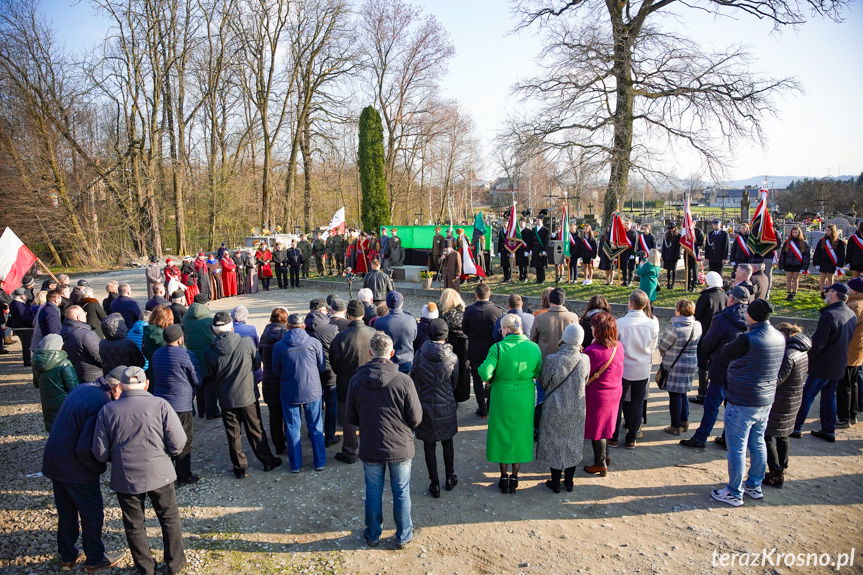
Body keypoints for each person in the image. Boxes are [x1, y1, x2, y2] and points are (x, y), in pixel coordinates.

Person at [92, 366, 187, 574]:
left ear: (122, 386)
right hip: (160, 473)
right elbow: (178, 441)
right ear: (146, 384)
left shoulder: (108, 410)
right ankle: (175, 564)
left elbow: (99, 451)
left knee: (134, 524)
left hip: (126, 476)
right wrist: (168, 454)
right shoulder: (160, 404)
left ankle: (146, 568)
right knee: (169, 518)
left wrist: (117, 458)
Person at [42, 367, 125, 573]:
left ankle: (67, 556)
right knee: (91, 513)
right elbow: (85, 447)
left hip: (54, 460)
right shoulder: (101, 403)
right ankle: (95, 558)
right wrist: (98, 467)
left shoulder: (84, 388)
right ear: (116, 388)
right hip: (76, 467)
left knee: (67, 511)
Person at [346, 331, 422, 549]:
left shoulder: (356, 381)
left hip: (371, 443)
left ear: (370, 352)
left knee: (373, 491)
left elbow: (351, 417)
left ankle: (372, 534)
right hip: (400, 445)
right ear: (392, 352)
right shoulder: (404, 381)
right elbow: (416, 417)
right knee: (401, 491)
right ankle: (404, 534)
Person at [710, 299, 785, 507]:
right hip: (765, 398)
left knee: (737, 447)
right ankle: (754, 484)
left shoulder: (748, 339)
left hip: (743, 398)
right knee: (758, 441)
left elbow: (726, 352)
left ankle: (734, 492)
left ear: (751, 316)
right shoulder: (779, 336)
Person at [205, 311, 282, 477]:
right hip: (247, 394)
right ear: (231, 326)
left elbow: (211, 374)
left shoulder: (210, 351)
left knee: (233, 434)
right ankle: (267, 460)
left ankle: (239, 467)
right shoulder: (246, 343)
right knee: (255, 429)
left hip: (226, 398)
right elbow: (256, 363)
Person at [479, 314, 542, 493]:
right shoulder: (534, 347)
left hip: (502, 395)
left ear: (506, 329)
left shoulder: (498, 348)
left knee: (502, 433)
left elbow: (485, 373)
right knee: (521, 433)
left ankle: (503, 476)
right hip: (525, 395)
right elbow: (538, 370)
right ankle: (515, 476)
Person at [680, 286, 749, 449]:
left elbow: (708, 342)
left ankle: (701, 437)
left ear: (731, 299)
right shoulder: (750, 318)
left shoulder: (723, 318)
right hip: (739, 369)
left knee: (711, 406)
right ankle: (727, 437)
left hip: (721, 367)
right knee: (731, 406)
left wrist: (707, 358)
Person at [793, 282, 857, 441]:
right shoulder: (850, 313)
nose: (826, 295)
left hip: (823, 365)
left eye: (828, 292)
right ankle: (829, 430)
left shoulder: (829, 315)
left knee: (807, 395)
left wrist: (808, 360)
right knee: (829, 396)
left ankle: (796, 427)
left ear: (835, 294)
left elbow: (818, 344)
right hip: (839, 363)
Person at [537, 323, 589, 492]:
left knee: (555, 442)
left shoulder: (552, 359)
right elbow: (585, 380)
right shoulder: (585, 360)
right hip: (577, 407)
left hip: (554, 405)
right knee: (572, 442)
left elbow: (544, 382)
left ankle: (555, 481)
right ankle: (569, 481)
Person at [410, 318, 459, 498]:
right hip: (445, 404)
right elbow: (454, 383)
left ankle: (435, 483)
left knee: (429, 445)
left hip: (425, 403)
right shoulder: (453, 358)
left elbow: (413, 377)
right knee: (448, 442)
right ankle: (449, 477)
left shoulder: (419, 354)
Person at [273, 313, 326, 473]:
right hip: (312, 389)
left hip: (290, 390)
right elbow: (321, 365)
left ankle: (295, 464)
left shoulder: (280, 346)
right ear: (303, 325)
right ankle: (320, 462)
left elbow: (276, 369)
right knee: (316, 426)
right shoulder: (314, 342)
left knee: (292, 427)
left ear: (287, 326)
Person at [151, 324, 201, 486]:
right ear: (180, 339)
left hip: (161, 403)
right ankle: (183, 475)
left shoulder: (157, 354)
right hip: (181, 403)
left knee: (165, 437)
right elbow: (196, 378)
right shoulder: (186, 355)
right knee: (184, 440)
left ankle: (166, 471)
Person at [763, 323, 810, 488]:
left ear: (784, 335)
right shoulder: (802, 351)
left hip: (781, 401)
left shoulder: (787, 355)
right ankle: (782, 466)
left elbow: (777, 380)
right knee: (783, 435)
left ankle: (775, 473)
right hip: (793, 399)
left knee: (766, 435)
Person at [330, 300, 376, 464]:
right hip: (370, 381)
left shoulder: (341, 337)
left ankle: (350, 451)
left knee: (349, 418)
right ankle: (369, 446)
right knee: (369, 415)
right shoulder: (373, 333)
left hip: (347, 382)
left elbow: (333, 362)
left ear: (348, 315)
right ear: (363, 314)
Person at [612, 290, 659, 448]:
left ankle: (614, 436)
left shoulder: (620, 323)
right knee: (637, 403)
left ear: (630, 303)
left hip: (623, 368)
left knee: (617, 403)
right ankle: (632, 437)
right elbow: (652, 347)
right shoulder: (652, 324)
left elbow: (615, 346)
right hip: (642, 367)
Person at [582, 312, 624, 476]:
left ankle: (600, 464)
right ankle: (606, 456)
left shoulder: (592, 351)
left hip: (598, 395)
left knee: (596, 429)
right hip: (615, 391)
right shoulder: (618, 346)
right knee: (607, 425)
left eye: (592, 327)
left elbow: (584, 373)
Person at [658, 300, 702, 434]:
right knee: (683, 392)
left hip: (675, 364)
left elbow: (663, 345)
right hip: (691, 363)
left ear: (679, 310)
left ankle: (675, 425)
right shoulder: (697, 325)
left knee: (675, 395)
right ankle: (684, 420)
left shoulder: (675, 326)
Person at [463, 283, 503, 417]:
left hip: (475, 350)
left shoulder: (469, 311)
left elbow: (465, 330)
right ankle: (489, 405)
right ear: (489, 293)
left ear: (476, 295)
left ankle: (482, 407)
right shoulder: (498, 311)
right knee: (492, 379)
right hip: (492, 351)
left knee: (477, 380)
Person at [305, 300, 340, 446]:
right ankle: (329, 435)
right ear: (321, 310)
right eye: (326, 309)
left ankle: (313, 431)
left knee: (314, 403)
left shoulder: (304, 328)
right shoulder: (332, 329)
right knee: (331, 404)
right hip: (329, 370)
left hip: (311, 371)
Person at [691, 271, 727, 403]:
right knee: (715, 363)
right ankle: (714, 392)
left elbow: (697, 317)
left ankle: (702, 393)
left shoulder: (705, 297)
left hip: (705, 335)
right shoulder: (725, 295)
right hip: (720, 335)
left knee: (703, 365)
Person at [33, 333, 79, 431]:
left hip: (47, 401)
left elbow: (36, 383)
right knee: (67, 427)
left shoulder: (37, 361)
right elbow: (74, 388)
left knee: (52, 424)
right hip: (65, 402)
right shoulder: (64, 363)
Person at [183, 295, 219, 419]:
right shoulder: (209, 318)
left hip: (192, 352)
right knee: (210, 382)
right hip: (207, 352)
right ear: (206, 304)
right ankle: (212, 411)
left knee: (199, 382)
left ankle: (202, 410)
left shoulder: (186, 317)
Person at [259, 307, 289, 454]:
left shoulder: (264, 334)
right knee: (288, 414)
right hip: (283, 380)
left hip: (268, 380)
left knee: (274, 415)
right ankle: (290, 441)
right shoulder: (285, 335)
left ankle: (279, 445)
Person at [439, 288, 470, 403]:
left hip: (451, 345)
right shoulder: (464, 312)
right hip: (464, 345)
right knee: (463, 370)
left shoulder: (443, 314)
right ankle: (462, 395)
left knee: (450, 371)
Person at [374, 291, 418, 373]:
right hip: (406, 362)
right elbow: (414, 337)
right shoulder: (411, 319)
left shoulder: (379, 322)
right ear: (401, 303)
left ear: (387, 304)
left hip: (387, 363)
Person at [840, 277, 863, 427]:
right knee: (853, 383)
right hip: (856, 350)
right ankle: (852, 414)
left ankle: (845, 417)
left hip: (849, 350)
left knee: (845, 386)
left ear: (854, 290)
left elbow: (845, 325)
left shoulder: (855, 305)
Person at [531, 288, 579, 358]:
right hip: (567, 360)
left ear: (549, 300)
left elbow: (533, 339)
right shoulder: (574, 317)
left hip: (544, 359)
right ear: (563, 301)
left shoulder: (540, 318)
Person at [61, 306, 103, 384]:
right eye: (84, 313)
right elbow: (100, 356)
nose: (86, 315)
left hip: (74, 375)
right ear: (79, 317)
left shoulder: (63, 331)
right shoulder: (85, 334)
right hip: (92, 378)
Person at [778, 225, 810, 301]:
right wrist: (781, 265)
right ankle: (789, 293)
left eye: (796, 232)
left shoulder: (803, 243)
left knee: (795, 279)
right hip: (788, 264)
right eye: (793, 232)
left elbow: (806, 255)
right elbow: (783, 254)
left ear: (799, 233)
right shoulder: (787, 242)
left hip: (798, 264)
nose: (794, 234)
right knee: (788, 278)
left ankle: (794, 293)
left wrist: (804, 267)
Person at [8, 287, 35, 366]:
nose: (26, 297)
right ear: (21, 295)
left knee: (27, 344)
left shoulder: (15, 303)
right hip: (23, 327)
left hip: (20, 326)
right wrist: (33, 323)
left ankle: (28, 360)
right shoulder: (18, 304)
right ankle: (27, 361)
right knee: (27, 345)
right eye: (25, 295)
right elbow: (24, 317)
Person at [661, 223, 681, 289]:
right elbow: (664, 246)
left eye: (672, 228)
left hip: (674, 255)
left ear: (675, 228)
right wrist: (663, 255)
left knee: (674, 270)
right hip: (667, 255)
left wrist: (677, 256)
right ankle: (668, 282)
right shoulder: (666, 235)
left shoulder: (678, 235)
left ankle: (673, 283)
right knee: (668, 270)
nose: (671, 230)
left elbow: (679, 247)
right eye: (669, 229)